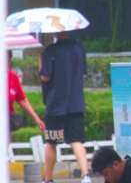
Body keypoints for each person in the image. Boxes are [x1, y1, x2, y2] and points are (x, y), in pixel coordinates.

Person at [39, 32, 91, 183]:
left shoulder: (50, 51)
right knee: (76, 141)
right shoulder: (79, 49)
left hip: (56, 105)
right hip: (76, 103)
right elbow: (83, 72)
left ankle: (48, 179)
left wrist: (41, 62)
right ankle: (85, 176)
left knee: (51, 142)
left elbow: (45, 76)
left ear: (56, 32)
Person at [7, 51, 46, 132]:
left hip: (7, 123)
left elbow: (22, 100)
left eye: (8, 58)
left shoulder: (13, 77)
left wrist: (37, 119)